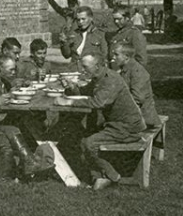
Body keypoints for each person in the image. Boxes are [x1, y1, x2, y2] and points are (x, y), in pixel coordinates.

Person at [57, 52, 146, 190]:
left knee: (88, 143)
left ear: (97, 66)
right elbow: (87, 92)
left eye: (85, 67)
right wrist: (72, 87)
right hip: (116, 125)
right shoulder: (99, 77)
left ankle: (113, 177)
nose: (82, 70)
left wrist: (68, 103)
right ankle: (99, 177)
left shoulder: (110, 79)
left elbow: (98, 103)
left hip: (128, 128)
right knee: (83, 139)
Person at [112, 43, 161, 129]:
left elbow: (138, 99)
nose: (113, 57)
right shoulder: (125, 69)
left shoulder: (137, 71)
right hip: (132, 116)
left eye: (116, 54)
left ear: (126, 56)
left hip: (143, 119)